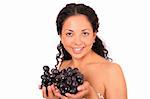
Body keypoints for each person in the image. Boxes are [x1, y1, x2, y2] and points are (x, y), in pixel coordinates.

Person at [40, 3, 127, 99]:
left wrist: (91, 95)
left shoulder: (112, 71)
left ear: (94, 35)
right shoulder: (63, 67)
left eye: (85, 33)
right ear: (61, 36)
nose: (77, 42)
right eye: (69, 34)